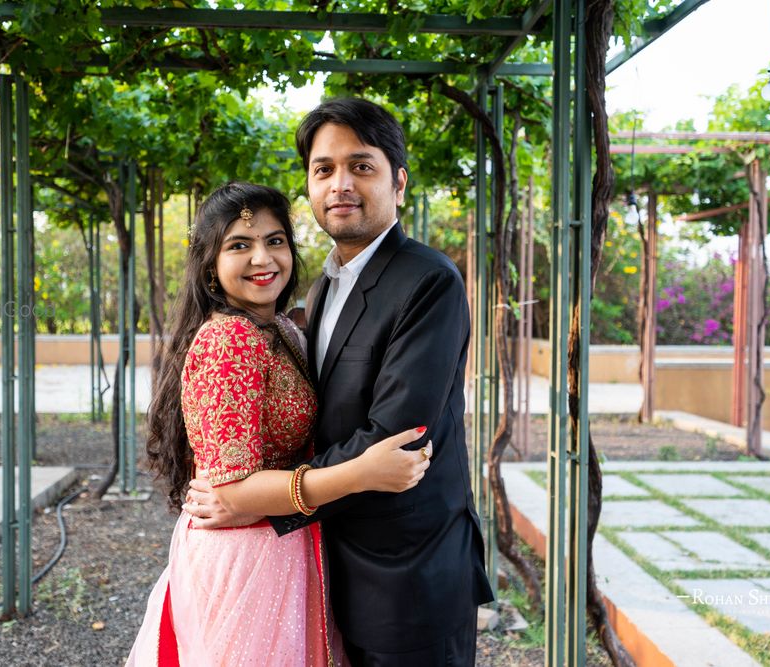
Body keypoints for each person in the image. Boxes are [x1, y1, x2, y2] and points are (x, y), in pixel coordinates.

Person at [187, 99, 494, 666]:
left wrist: (259, 502)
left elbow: (398, 434)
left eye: (362, 165)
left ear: (399, 182)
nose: (340, 184)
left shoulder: (428, 280)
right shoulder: (320, 289)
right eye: (324, 169)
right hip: (322, 561)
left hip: (406, 571)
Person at [125, 181, 431, 666]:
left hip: (281, 541)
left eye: (274, 241)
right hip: (244, 561)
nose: (262, 258)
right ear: (210, 265)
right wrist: (362, 473)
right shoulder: (229, 340)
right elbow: (230, 493)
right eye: (239, 245)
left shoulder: (282, 326)